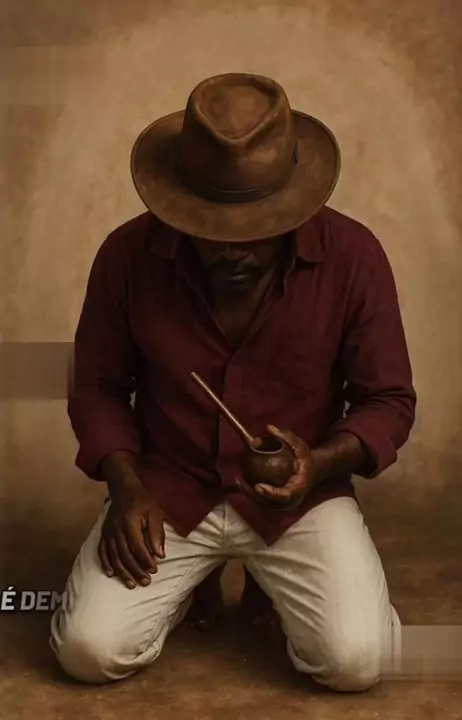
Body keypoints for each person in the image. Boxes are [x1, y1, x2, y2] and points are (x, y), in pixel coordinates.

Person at [50, 73, 416, 692]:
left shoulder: (354, 257)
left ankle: (267, 584)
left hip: (300, 501)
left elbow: (389, 400)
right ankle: (191, 583)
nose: (232, 251)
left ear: (292, 203)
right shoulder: (126, 256)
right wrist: (127, 488)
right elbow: (98, 388)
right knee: (87, 652)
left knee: (357, 663)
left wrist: (320, 463)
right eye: (212, 229)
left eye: (255, 230)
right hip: (169, 488)